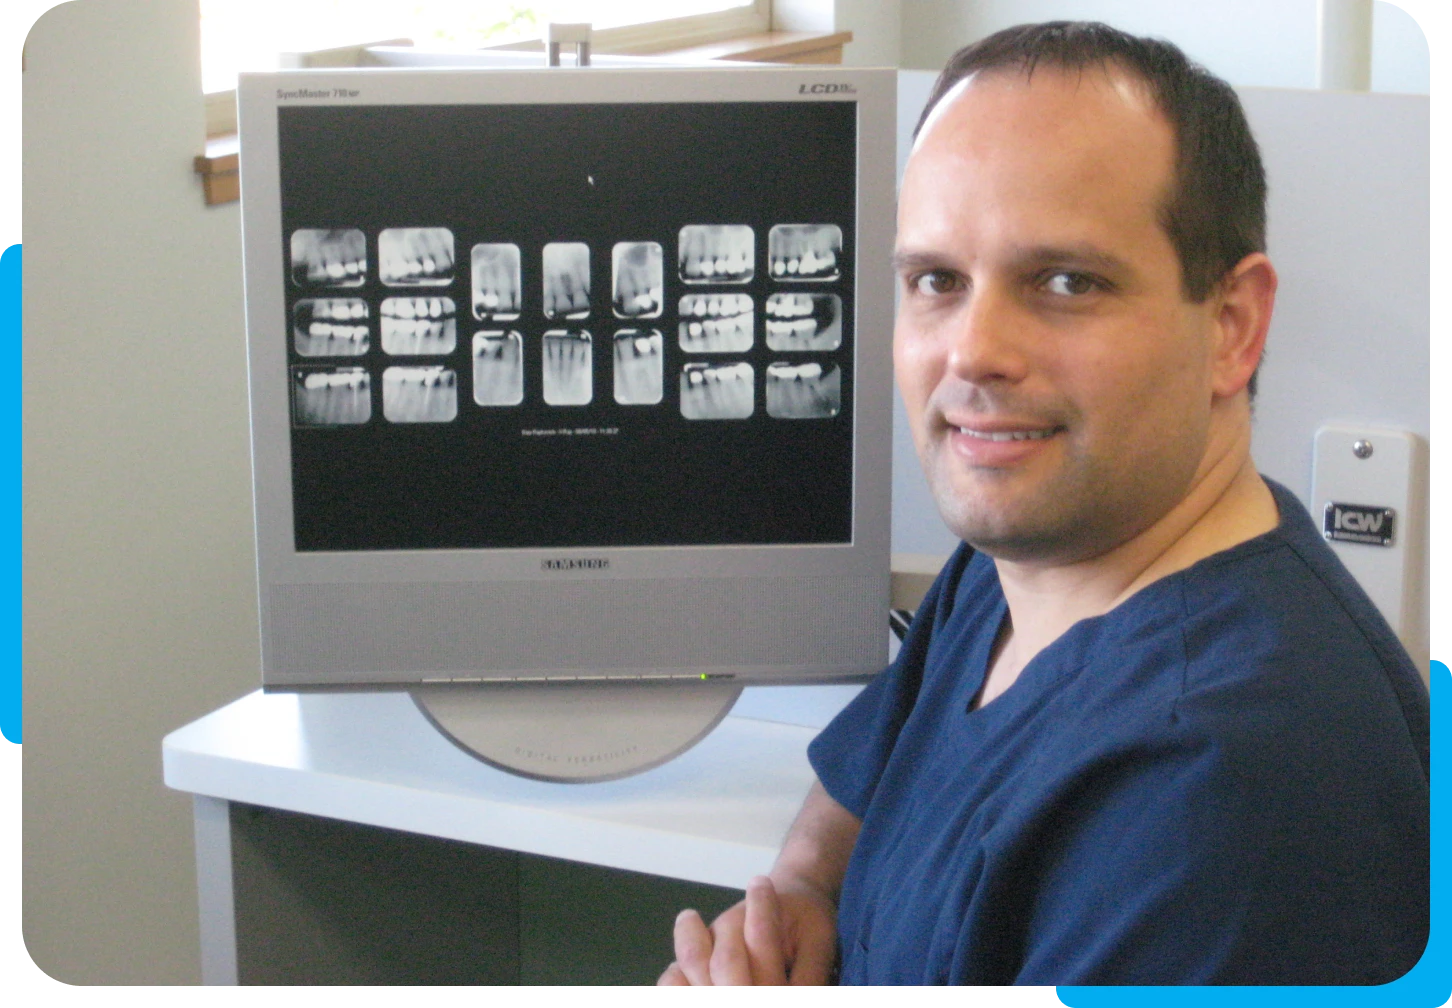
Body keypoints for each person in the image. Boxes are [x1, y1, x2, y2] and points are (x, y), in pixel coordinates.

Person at [658, 21, 1429, 989]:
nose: (974, 351)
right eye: (937, 280)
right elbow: (868, 777)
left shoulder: (1218, 787)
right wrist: (805, 894)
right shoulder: (1026, 563)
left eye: (1066, 282)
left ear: (1233, 328)